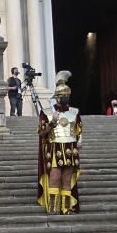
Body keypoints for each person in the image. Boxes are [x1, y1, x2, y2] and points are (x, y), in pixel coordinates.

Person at [36, 71, 82, 215]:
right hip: (54, 147)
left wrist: (80, 140)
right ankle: (52, 207)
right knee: (54, 177)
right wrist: (52, 123)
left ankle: (66, 207)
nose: (66, 98)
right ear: (57, 97)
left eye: (67, 95)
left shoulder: (74, 112)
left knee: (67, 178)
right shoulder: (47, 112)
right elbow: (41, 132)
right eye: (63, 96)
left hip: (70, 148)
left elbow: (78, 130)